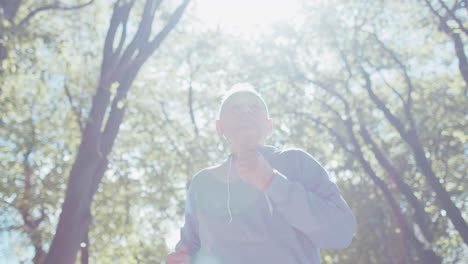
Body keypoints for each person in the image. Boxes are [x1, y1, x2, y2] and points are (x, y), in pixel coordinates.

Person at [165, 83, 356, 264]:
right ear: (219, 127)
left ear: (269, 126)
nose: (245, 112)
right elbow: (191, 250)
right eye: (235, 108)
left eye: (254, 108)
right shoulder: (202, 184)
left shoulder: (296, 162)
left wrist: (271, 181)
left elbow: (341, 233)